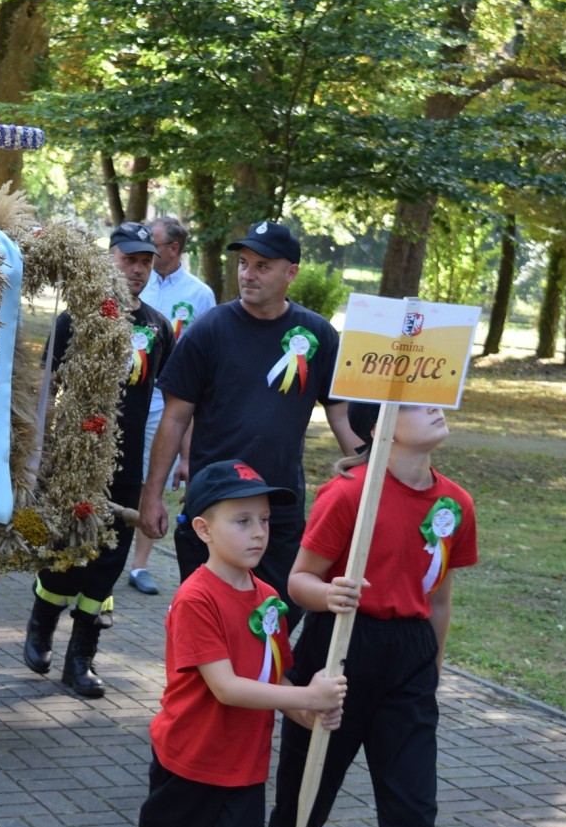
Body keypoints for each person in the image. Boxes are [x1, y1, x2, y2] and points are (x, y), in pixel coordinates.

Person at [267, 403, 478, 827]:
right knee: (303, 802)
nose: (435, 407)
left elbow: (438, 601)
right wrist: (328, 594)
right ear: (381, 427)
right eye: (416, 405)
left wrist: (430, 671)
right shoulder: (349, 493)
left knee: (413, 810)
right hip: (340, 650)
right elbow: (298, 580)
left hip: (411, 658)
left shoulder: (455, 503)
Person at [139, 221, 361, 631]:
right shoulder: (210, 330)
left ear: (290, 272)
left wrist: (366, 467)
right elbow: (174, 416)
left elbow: (340, 413)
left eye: (262, 266)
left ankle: (258, 693)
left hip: (280, 505)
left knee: (274, 618)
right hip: (215, 504)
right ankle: (214, 694)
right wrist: (152, 497)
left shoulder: (317, 335)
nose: (247, 274)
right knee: (210, 621)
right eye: (243, 264)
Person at [135, 460, 347, 827]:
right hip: (192, 763)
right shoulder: (196, 599)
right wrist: (308, 694)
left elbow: (274, 675)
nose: (259, 533)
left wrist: (307, 712)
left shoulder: (268, 598)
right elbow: (226, 687)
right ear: (203, 530)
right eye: (242, 521)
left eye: (264, 520)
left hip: (246, 766)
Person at [23, 222, 174, 698]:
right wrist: (37, 452)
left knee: (108, 563)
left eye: (146, 261)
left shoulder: (157, 326)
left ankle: (81, 657)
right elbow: (47, 390)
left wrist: (171, 464)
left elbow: (171, 401)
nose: (138, 269)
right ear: (108, 259)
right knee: (65, 556)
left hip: (128, 465)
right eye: (129, 259)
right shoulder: (76, 319)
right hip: (76, 460)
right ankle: (43, 621)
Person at [129, 215, 216, 596]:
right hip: (129, 397)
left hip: (165, 407)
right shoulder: (133, 281)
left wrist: (187, 451)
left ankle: (140, 564)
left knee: (154, 480)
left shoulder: (200, 295)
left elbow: (204, 364)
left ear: (174, 249)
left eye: (155, 247)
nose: (146, 254)